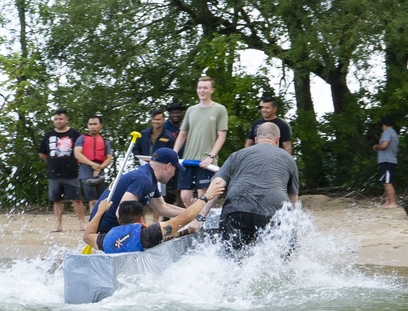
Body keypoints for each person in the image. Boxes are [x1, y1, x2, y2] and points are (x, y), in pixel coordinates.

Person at [211, 122, 299, 248]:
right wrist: (292, 230)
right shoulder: (289, 159)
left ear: (256, 140)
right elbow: (293, 198)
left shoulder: (236, 155)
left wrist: (200, 217)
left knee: (230, 257)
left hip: (236, 208)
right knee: (273, 257)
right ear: (278, 139)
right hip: (272, 211)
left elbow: (217, 184)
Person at [84, 179, 225, 253]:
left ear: (119, 219)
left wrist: (100, 211)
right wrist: (206, 197)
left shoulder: (105, 239)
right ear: (140, 219)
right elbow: (184, 219)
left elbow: (87, 235)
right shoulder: (148, 234)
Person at [88, 148, 187, 235]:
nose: (174, 174)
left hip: (110, 227)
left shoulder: (149, 177)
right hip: (105, 230)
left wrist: (193, 213)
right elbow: (121, 214)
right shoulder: (143, 180)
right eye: (175, 170)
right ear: (168, 166)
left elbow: (162, 208)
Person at [173, 77, 228, 207]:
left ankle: (202, 221)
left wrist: (211, 156)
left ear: (212, 90)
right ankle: (196, 219)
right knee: (185, 196)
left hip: (206, 161)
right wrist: (173, 153)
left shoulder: (219, 109)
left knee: (202, 194)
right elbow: (182, 133)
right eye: (199, 87)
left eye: (205, 88)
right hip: (188, 160)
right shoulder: (191, 110)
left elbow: (222, 135)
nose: (202, 90)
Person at [38, 109, 83, 232]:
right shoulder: (48, 135)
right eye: (56, 119)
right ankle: (58, 225)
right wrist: (52, 162)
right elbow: (42, 153)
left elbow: (81, 150)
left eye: (61, 119)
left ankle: (82, 224)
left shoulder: (75, 134)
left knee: (77, 199)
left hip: (72, 172)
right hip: (54, 173)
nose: (58, 121)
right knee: (56, 200)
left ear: (66, 119)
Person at [74, 114, 112, 213]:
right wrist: (92, 164)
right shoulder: (82, 139)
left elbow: (109, 158)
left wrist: (99, 167)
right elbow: (77, 154)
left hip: (100, 172)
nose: (92, 126)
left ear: (100, 126)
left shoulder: (105, 141)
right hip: (86, 172)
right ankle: (92, 222)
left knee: (102, 200)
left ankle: (101, 223)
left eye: (95, 124)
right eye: (90, 124)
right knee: (93, 200)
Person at [374, 117, 399, 209]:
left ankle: (393, 202)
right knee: (385, 182)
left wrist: (376, 147)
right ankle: (387, 202)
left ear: (384, 125)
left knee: (388, 182)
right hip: (389, 160)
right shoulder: (394, 133)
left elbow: (384, 145)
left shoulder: (387, 132)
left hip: (387, 160)